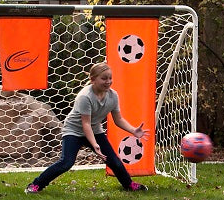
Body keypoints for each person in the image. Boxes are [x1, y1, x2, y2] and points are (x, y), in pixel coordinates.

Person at [26, 61, 149, 193]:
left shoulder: (113, 96)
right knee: (66, 163)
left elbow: (118, 119)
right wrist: (95, 145)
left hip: (95, 130)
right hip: (73, 131)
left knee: (114, 161)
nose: (108, 81)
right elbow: (85, 124)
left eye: (110, 78)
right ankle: (36, 184)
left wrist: (133, 130)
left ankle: (129, 185)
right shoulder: (85, 97)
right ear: (93, 80)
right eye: (104, 78)